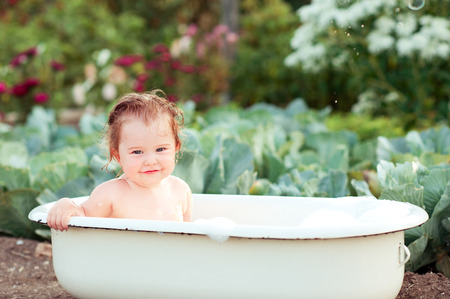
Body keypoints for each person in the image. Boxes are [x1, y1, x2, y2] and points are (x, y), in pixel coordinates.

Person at [47, 90, 192, 231]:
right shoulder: (110, 194)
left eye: (160, 149)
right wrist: (66, 204)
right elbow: (81, 217)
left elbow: (187, 237)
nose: (150, 161)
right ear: (118, 156)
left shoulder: (180, 190)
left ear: (176, 147)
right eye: (137, 152)